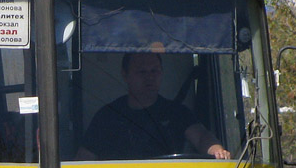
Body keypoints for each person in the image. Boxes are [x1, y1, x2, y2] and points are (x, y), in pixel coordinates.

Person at [76, 51, 231, 161]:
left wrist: (217, 151)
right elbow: (83, 161)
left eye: (154, 71)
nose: (149, 77)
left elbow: (201, 137)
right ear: (125, 75)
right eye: (142, 72)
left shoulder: (176, 112)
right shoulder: (108, 116)